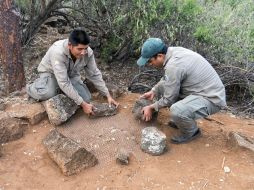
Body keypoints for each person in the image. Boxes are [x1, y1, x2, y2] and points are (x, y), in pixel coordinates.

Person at [137, 38, 226, 144]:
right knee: (162, 87)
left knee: (177, 110)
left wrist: (151, 107)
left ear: (160, 56)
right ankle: (182, 120)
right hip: (200, 90)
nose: (150, 64)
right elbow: (168, 79)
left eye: (150, 61)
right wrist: (154, 90)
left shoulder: (174, 65)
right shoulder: (173, 52)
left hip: (212, 98)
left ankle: (192, 132)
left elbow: (169, 99)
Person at [26, 29, 119, 115]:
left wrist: (107, 95)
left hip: (70, 75)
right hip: (50, 73)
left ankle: (61, 90)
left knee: (86, 98)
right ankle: (31, 88)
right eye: (79, 49)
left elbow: (94, 74)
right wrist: (82, 105)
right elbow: (64, 82)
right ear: (70, 45)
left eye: (85, 48)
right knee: (49, 93)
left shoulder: (88, 52)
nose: (83, 52)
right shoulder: (58, 52)